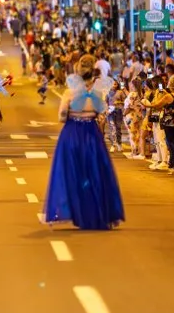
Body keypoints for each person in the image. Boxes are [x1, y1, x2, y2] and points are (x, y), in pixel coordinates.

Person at [42, 55, 125, 230]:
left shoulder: (70, 93)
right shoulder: (96, 93)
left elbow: (62, 116)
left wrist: (73, 115)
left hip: (72, 133)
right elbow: (102, 114)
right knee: (94, 173)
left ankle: (77, 211)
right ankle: (95, 213)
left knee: (72, 174)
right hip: (91, 134)